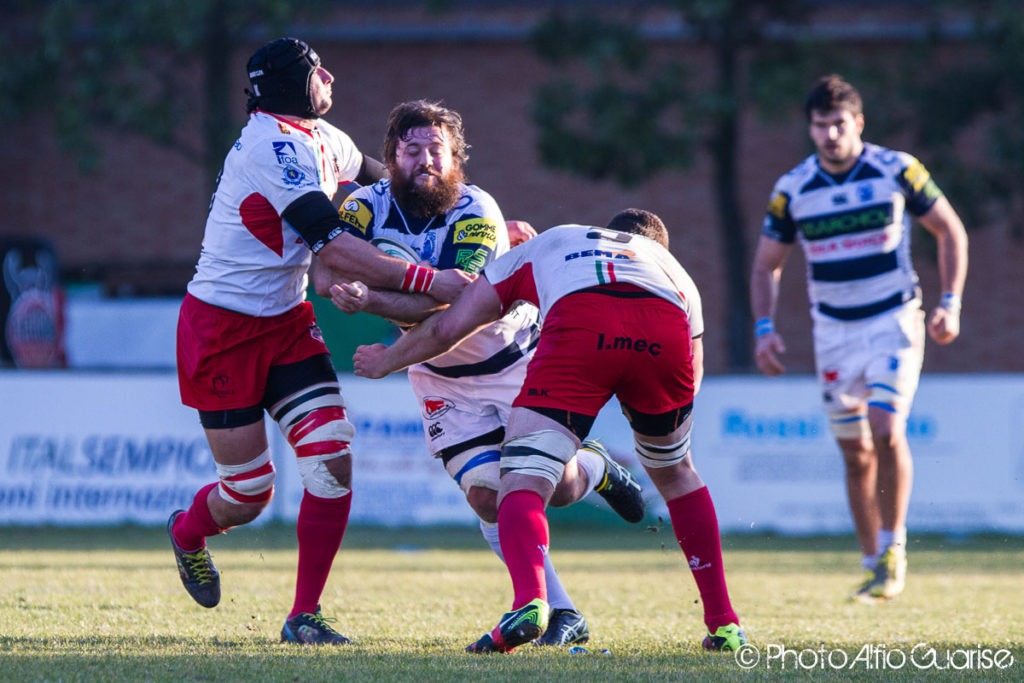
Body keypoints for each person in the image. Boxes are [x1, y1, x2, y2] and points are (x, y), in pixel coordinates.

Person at [167, 37, 473, 646]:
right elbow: (331, 244)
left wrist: (469, 211)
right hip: (220, 329)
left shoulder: (326, 139)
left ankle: (302, 615)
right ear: (292, 85)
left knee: (331, 457)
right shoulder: (270, 146)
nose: (330, 76)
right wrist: (432, 278)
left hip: (285, 323)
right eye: (317, 71)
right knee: (249, 494)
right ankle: (186, 533)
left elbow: (391, 188)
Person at [320, 99, 646, 648]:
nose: (425, 161)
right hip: (439, 375)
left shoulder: (477, 209)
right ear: (391, 157)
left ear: (456, 159)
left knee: (553, 488)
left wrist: (373, 294)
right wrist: (410, 283)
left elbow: (457, 309)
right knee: (486, 495)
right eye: (411, 150)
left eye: (436, 151)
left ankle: (594, 469)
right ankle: (561, 612)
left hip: (512, 360)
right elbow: (326, 265)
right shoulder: (365, 207)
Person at [348, 209, 745, 653]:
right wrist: (663, 436)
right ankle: (724, 624)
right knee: (678, 474)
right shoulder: (671, 269)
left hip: (580, 325)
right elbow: (693, 368)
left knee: (520, 478)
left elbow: (445, 326)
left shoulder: (554, 241)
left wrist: (386, 360)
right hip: (663, 331)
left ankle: (531, 602)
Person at [750, 74, 968, 602]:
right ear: (810, 128)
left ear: (859, 123)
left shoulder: (898, 170)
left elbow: (950, 230)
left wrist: (950, 302)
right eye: (820, 126)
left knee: (885, 426)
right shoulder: (792, 189)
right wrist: (763, 330)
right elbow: (765, 267)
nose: (830, 135)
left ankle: (896, 547)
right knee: (854, 452)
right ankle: (874, 563)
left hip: (893, 319)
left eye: (839, 125)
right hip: (833, 332)